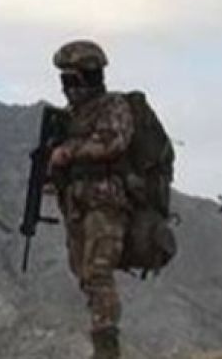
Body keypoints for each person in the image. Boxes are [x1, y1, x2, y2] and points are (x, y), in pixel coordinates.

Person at [48, 40, 134, 359]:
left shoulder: (114, 106)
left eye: (72, 80)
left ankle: (107, 350)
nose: (67, 88)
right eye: (64, 80)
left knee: (98, 273)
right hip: (75, 203)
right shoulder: (69, 117)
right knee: (84, 275)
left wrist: (68, 152)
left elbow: (113, 142)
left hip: (104, 202)